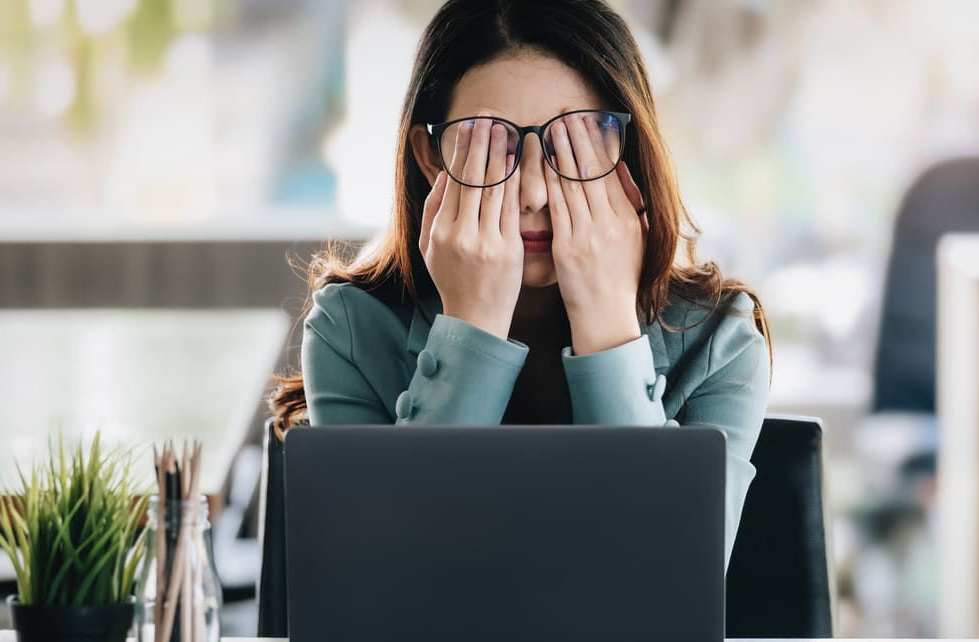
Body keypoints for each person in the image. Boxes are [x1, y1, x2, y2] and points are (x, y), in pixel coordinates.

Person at [270, 0, 772, 558]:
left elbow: (671, 573)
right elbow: (384, 570)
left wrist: (607, 320)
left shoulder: (720, 342)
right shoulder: (350, 329)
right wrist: (471, 328)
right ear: (431, 158)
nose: (534, 193)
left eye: (571, 144)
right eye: (493, 146)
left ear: (625, 152)